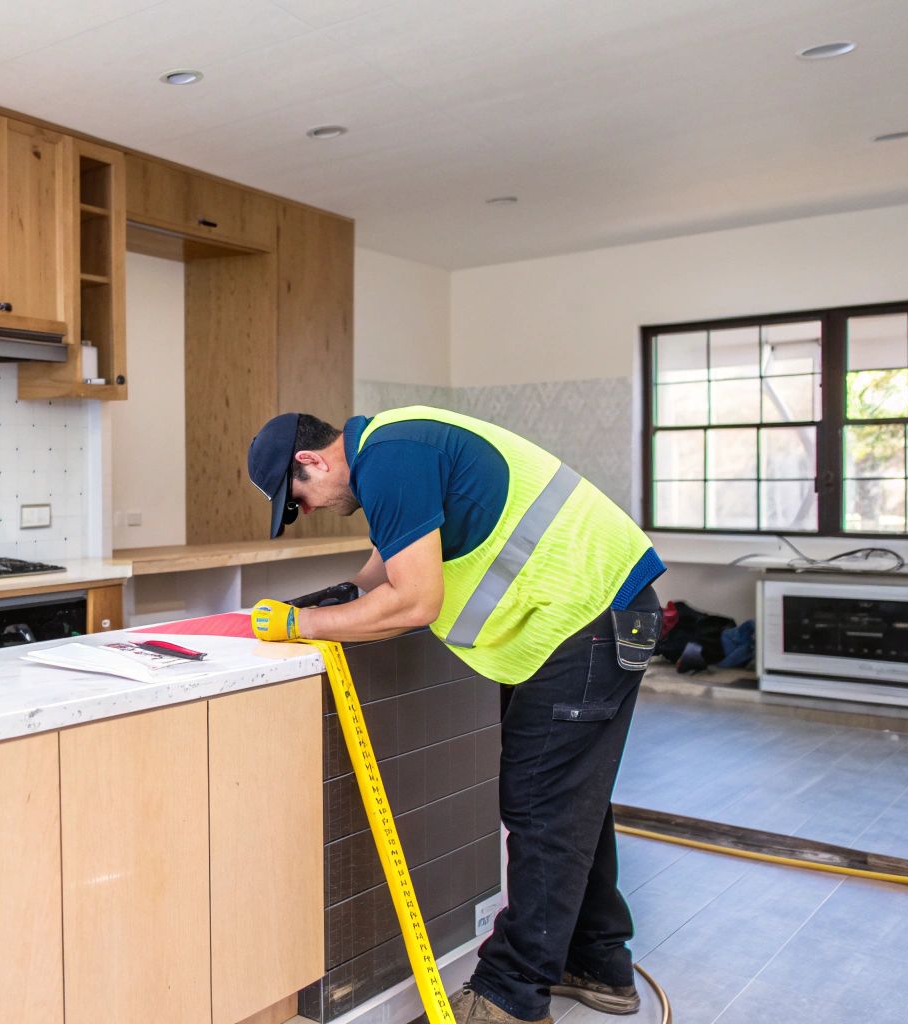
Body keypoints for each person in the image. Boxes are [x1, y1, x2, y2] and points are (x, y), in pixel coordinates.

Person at [245, 407, 665, 1024]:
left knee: (541, 806)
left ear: (311, 459)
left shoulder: (390, 456)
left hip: (585, 623)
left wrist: (299, 623)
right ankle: (597, 962)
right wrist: (337, 599)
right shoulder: (394, 448)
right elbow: (384, 571)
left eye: (297, 497)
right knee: (571, 801)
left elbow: (414, 600)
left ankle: (510, 997)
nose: (302, 510)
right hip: (590, 620)